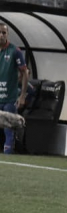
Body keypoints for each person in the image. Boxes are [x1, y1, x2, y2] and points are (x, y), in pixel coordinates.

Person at [0, 24, 29, 155]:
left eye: (4, 33)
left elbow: (25, 72)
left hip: (9, 99)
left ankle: (8, 157)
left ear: (7, 34)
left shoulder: (14, 51)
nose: (1, 35)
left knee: (9, 129)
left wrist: (22, 96)